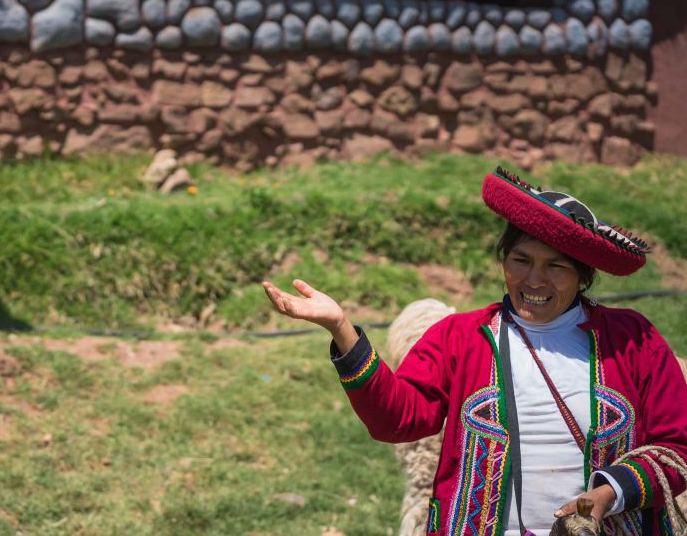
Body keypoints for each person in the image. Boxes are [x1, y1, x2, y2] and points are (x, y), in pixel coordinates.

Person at [263, 166, 687, 535]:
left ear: (583, 276)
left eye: (555, 267)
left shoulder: (633, 341)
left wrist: (611, 491)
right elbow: (396, 419)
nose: (534, 280)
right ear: (504, 261)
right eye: (520, 261)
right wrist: (341, 329)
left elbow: (677, 445)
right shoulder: (460, 338)